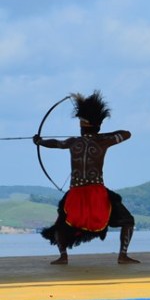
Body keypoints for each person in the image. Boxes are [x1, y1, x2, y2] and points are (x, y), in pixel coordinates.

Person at [34, 92, 139, 265]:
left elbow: (55, 144)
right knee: (128, 221)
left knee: (61, 224)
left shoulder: (73, 142)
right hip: (97, 191)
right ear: (97, 126)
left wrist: (40, 142)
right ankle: (123, 255)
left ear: (83, 127)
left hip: (76, 191)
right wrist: (102, 133)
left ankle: (63, 256)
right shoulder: (103, 140)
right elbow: (126, 133)